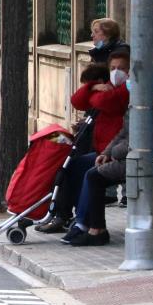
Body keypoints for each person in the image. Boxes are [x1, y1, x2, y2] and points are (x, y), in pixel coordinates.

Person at [36, 50, 130, 234]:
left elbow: (105, 102)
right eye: (113, 68)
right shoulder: (108, 85)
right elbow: (77, 101)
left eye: (121, 68)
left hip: (115, 151)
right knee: (70, 168)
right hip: (103, 150)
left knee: (89, 174)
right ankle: (65, 216)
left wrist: (94, 95)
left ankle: (84, 223)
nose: (116, 72)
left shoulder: (127, 89)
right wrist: (92, 87)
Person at [64, 110, 129, 247]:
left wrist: (114, 153)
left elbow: (139, 140)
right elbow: (122, 133)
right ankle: (74, 218)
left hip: (140, 160)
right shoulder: (134, 104)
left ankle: (96, 229)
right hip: (123, 156)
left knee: (94, 176)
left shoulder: (151, 105)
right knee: (77, 166)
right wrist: (107, 152)